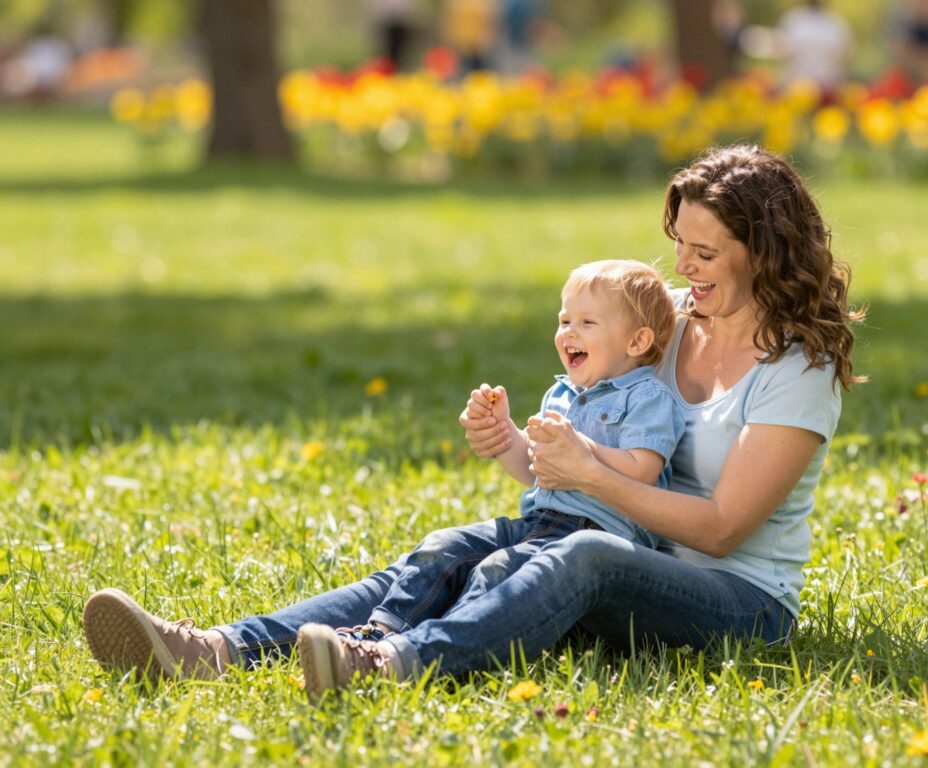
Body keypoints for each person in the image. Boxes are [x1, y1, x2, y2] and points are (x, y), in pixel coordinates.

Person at [81, 145, 863, 704]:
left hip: (734, 601)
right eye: (679, 247)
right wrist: (524, 454)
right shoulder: (659, 333)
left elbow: (723, 529)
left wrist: (589, 474)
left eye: (706, 252)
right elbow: (584, 467)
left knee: (583, 555)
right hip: (626, 541)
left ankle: (390, 662)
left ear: (763, 251)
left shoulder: (797, 371)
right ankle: (213, 649)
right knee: (455, 549)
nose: (683, 270)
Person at [295, 259, 685, 701]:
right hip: (541, 522)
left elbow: (642, 469)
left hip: (594, 536)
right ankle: (375, 636)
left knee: (495, 571)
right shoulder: (561, 394)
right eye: (564, 320)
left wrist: (583, 450)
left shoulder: (649, 397)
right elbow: (534, 470)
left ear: (637, 340)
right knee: (443, 547)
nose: (568, 332)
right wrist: (505, 436)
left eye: (587, 322)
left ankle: (439, 657)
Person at [777, 0, 852, 97]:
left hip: (828, 94)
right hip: (794, 93)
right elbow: (781, 56)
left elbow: (847, 60)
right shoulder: (791, 21)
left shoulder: (837, 25)